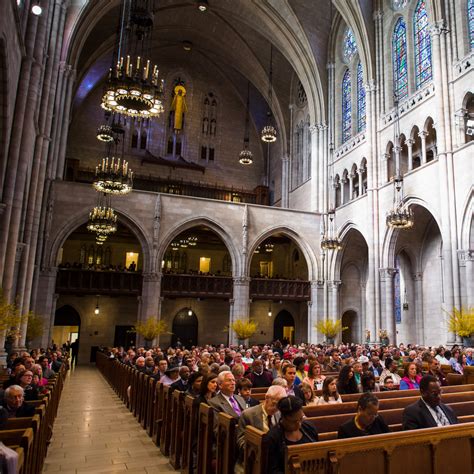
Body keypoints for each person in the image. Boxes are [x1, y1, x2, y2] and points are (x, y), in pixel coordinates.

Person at [266, 396, 319, 474]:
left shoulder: (309, 428)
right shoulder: (273, 437)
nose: (299, 424)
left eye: (301, 419)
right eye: (294, 422)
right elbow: (272, 470)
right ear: (283, 418)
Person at [236, 385, 287, 459]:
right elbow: (241, 442)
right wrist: (257, 452)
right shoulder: (248, 415)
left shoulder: (280, 413)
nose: (276, 408)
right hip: (254, 459)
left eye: (279, 406)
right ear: (266, 398)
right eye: (274, 404)